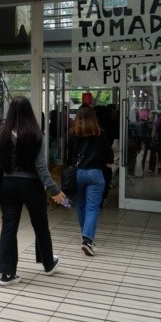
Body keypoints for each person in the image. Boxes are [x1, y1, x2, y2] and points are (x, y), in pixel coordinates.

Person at [0, 96, 67, 286]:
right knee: (40, 225)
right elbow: (41, 167)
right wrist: (54, 189)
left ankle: (7, 274)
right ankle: (48, 264)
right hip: (31, 187)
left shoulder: (3, 133)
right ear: (30, 112)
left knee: (9, 228)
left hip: (8, 186)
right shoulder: (35, 134)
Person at [68, 105, 113, 256]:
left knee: (81, 205)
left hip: (79, 173)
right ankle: (87, 240)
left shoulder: (73, 134)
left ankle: (85, 235)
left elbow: (70, 156)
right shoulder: (100, 134)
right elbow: (109, 156)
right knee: (93, 208)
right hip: (95, 173)